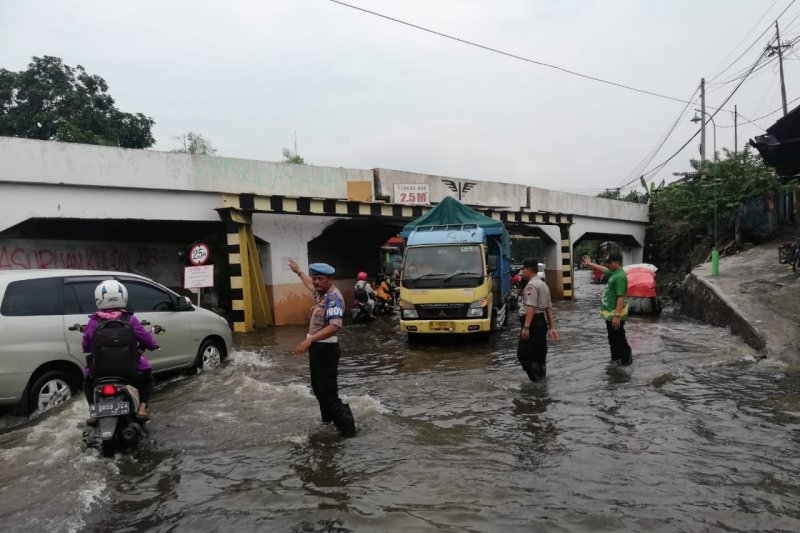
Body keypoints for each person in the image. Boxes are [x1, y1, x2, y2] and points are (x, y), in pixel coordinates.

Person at [288, 260, 356, 438]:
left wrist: (309, 341)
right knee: (319, 391)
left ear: (329, 279)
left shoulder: (333, 298)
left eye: (320, 279)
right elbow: (309, 284)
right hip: (319, 349)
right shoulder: (321, 293)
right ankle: (328, 424)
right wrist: (299, 272)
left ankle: (349, 432)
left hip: (326, 351)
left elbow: (335, 326)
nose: (315, 282)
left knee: (328, 394)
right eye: (314, 278)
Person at [82, 279, 159, 422]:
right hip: (129, 371)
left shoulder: (94, 321)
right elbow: (148, 341)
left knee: (87, 381)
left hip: (100, 372)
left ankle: (93, 411)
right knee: (148, 379)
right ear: (123, 296)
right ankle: (142, 409)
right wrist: (154, 345)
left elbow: (86, 345)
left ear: (99, 298)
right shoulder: (130, 319)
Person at [582, 252, 633, 365]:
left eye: (610, 262)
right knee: (612, 339)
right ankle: (615, 361)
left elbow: (620, 297)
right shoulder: (613, 273)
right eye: (608, 262)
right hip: (610, 314)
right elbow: (604, 269)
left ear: (617, 262)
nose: (608, 264)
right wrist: (591, 264)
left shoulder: (620, 276)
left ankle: (626, 363)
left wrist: (617, 316)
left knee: (619, 339)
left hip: (616, 314)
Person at [517, 259, 559, 382]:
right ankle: (541, 380)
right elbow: (549, 307)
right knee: (540, 355)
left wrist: (526, 327)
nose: (522, 273)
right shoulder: (543, 284)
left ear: (529, 270)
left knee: (523, 355)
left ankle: (536, 381)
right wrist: (552, 327)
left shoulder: (532, 285)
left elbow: (531, 307)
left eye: (523, 270)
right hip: (541, 322)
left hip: (533, 323)